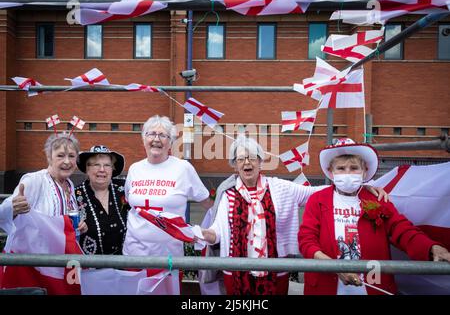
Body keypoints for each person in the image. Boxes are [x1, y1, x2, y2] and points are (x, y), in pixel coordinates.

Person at [200, 135, 388, 295]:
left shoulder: (280, 188)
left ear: (260, 162)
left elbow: (315, 192)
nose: (247, 163)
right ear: (235, 166)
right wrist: (204, 234)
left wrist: (358, 187)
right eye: (240, 159)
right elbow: (218, 229)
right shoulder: (227, 193)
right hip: (236, 271)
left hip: (275, 269)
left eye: (252, 158)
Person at [298, 138, 450, 295]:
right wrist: (334, 267)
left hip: (373, 283)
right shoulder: (318, 200)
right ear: (331, 172)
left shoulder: (377, 198)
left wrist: (431, 248)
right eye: (341, 168)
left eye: (354, 168)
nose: (347, 173)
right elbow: (306, 240)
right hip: (326, 285)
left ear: (364, 171)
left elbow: (401, 229)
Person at [122, 115, 212, 293]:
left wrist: (216, 231)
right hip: (134, 255)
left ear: (170, 143)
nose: (156, 139)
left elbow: (207, 203)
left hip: (168, 257)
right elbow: (130, 202)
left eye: (163, 135)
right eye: (151, 134)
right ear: (143, 139)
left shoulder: (183, 168)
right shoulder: (135, 169)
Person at [0, 132, 87, 294]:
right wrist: (12, 207)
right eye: (60, 155)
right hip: (32, 267)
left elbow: (61, 223)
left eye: (71, 156)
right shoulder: (34, 180)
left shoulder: (70, 186)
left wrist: (78, 227)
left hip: (59, 265)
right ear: (49, 157)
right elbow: (3, 210)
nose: (67, 161)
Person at [75, 145, 129, 255]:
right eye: (96, 165)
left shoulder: (124, 190)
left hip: (124, 266)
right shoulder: (74, 195)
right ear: (87, 168)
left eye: (107, 165)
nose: (102, 170)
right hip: (89, 267)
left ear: (112, 169)